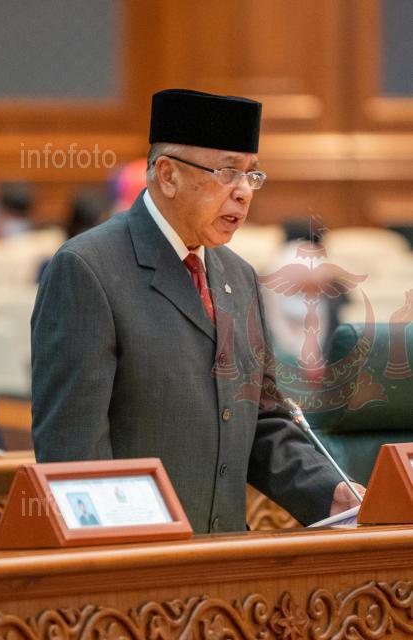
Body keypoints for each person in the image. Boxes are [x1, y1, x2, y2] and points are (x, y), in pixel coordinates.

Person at [31, 89, 364, 534]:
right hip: (139, 560)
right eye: (227, 172)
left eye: (251, 174)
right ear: (168, 175)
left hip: (226, 562)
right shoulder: (88, 269)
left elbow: (260, 419)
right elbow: (74, 450)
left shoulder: (239, 276)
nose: (244, 192)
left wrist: (331, 494)